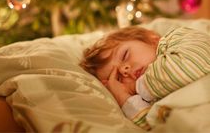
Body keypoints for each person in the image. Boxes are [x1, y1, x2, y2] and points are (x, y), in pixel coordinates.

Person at [79, 26, 210, 129]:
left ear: (150, 38)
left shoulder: (179, 37)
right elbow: (153, 125)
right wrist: (125, 99)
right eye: (117, 79)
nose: (124, 70)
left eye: (124, 55)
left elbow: (187, 69)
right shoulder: (150, 98)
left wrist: (134, 86)